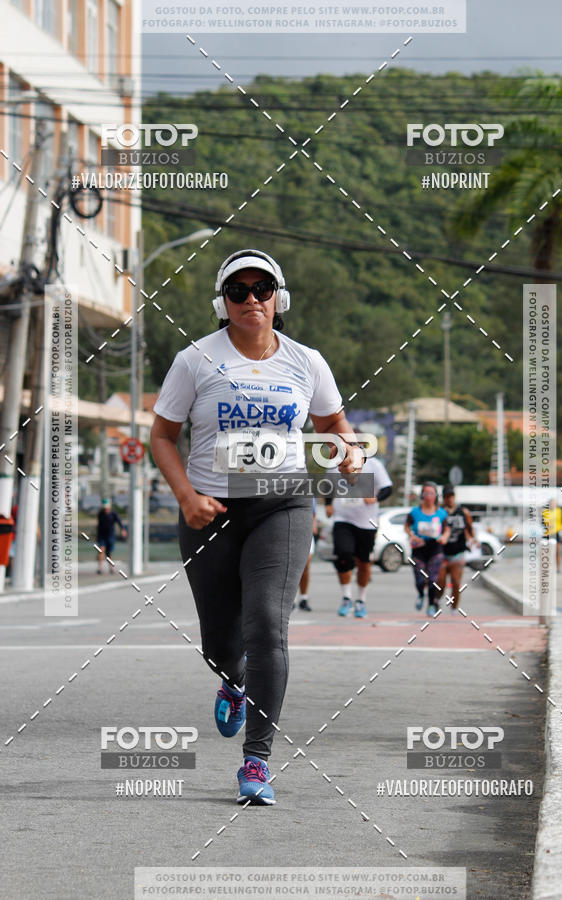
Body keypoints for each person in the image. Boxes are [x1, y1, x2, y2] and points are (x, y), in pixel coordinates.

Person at [150, 248, 363, 806]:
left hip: (283, 505)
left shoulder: (306, 361)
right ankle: (233, 679)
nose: (250, 299)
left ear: (278, 298)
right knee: (222, 642)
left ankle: (257, 761)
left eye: (261, 289)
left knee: (268, 623)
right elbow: (161, 436)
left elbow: (334, 423)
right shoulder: (195, 360)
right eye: (237, 291)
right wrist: (187, 496)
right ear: (222, 303)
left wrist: (350, 451)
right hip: (210, 512)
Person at [325, 453, 392, 619]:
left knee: (364, 562)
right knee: (343, 554)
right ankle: (346, 597)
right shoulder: (334, 464)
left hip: (366, 522)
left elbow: (388, 488)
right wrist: (328, 504)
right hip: (343, 519)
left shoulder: (374, 465)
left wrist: (376, 498)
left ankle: (361, 600)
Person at [405, 482, 450, 617]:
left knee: (432, 579)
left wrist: (444, 537)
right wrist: (412, 535)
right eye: (426, 493)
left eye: (431, 493)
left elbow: (447, 529)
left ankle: (431, 604)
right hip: (419, 548)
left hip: (435, 548)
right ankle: (420, 594)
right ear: (422, 495)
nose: (428, 496)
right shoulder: (415, 512)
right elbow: (407, 526)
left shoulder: (441, 513)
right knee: (420, 579)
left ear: (436, 495)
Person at [438, 484, 476, 613]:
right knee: (440, 582)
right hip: (442, 552)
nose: (449, 499)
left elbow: (470, 529)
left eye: (451, 496)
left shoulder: (463, 512)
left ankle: (454, 608)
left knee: (455, 582)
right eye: (447, 496)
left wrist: (472, 539)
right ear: (443, 498)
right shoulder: (439, 512)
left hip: (458, 552)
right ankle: (436, 601)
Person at [295, 498, 318, 611]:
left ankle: (304, 598)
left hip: (305, 530)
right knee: (291, 566)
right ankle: (291, 600)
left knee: (305, 564)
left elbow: (313, 511)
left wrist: (314, 524)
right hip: (289, 530)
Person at [96, 499, 126, 573]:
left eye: (107, 508)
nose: (105, 509)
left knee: (108, 553)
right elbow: (99, 525)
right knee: (101, 550)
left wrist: (123, 530)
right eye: (104, 508)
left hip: (110, 536)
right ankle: (100, 568)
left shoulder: (113, 514)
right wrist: (97, 535)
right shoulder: (100, 514)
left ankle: (111, 568)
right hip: (102, 535)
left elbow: (119, 522)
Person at [542, 498, 562, 572]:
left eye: (554, 503)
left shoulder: (558, 511)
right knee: (546, 552)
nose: (553, 505)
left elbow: (560, 521)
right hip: (548, 533)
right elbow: (545, 522)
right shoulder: (545, 512)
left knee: (557, 551)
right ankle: (547, 567)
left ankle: (558, 568)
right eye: (551, 503)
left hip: (556, 533)